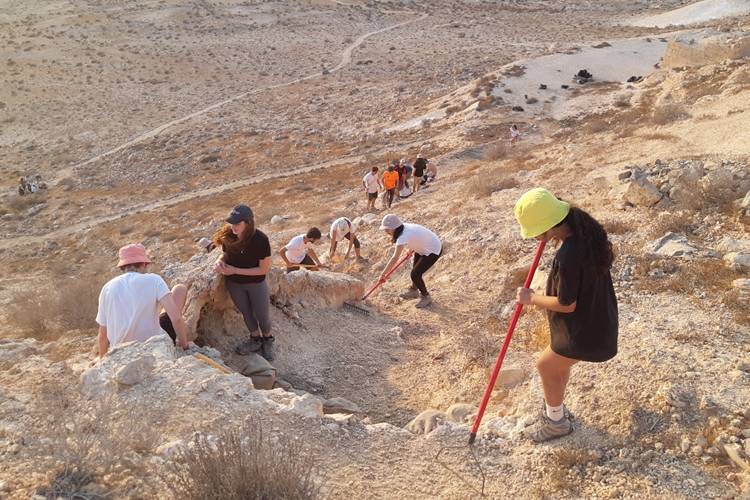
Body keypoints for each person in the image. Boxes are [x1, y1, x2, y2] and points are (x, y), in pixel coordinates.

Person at [513, 188, 618, 442]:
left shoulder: (569, 255)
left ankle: (556, 424)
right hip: (595, 318)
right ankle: (556, 410)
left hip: (582, 329)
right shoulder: (584, 231)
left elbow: (566, 303)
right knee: (557, 367)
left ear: (548, 226)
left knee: (545, 366)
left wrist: (531, 298)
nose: (536, 238)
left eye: (536, 232)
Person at [96, 243, 189, 357]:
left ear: (122, 266)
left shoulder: (107, 287)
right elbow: (176, 319)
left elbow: (102, 335)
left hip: (121, 352)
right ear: (144, 264)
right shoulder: (154, 280)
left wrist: (103, 361)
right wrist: (184, 346)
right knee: (180, 289)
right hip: (155, 346)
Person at [213, 205, 275, 361]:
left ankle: (267, 340)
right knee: (246, 313)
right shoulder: (229, 235)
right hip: (234, 284)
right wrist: (219, 261)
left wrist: (234, 270)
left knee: (262, 315)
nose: (233, 227)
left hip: (255, 283)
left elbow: (263, 270)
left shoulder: (261, 239)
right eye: (232, 223)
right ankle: (255, 339)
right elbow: (225, 255)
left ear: (248, 223)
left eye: (237, 223)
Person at [379, 214, 442, 309]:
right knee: (415, 268)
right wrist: (411, 249)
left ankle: (426, 296)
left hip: (433, 249)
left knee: (415, 274)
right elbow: (416, 236)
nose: (385, 231)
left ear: (394, 228)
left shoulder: (403, 236)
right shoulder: (403, 227)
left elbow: (394, 258)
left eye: (387, 229)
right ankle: (414, 290)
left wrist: (383, 274)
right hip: (424, 246)